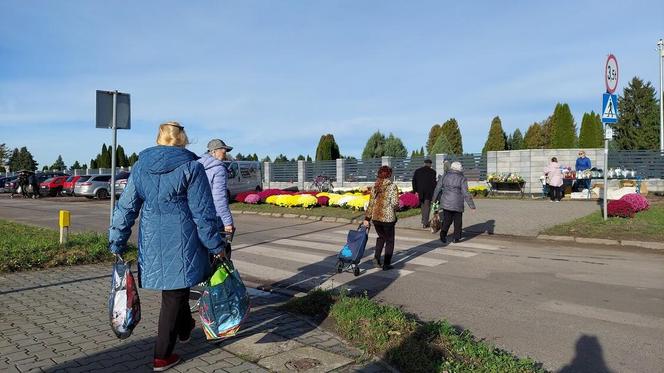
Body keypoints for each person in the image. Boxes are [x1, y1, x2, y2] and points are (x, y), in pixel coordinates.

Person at [108, 121, 225, 372]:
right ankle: (162, 355)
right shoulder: (192, 167)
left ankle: (184, 327)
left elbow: (126, 208)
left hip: (151, 239)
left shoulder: (140, 168)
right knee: (173, 295)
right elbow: (203, 214)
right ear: (183, 139)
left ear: (159, 139)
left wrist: (117, 240)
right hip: (184, 240)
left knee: (175, 290)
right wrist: (216, 245)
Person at [199, 139, 235, 258]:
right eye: (223, 150)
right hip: (215, 216)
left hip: (198, 215)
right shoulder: (218, 168)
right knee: (219, 256)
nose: (225, 152)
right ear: (213, 151)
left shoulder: (197, 165)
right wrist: (228, 222)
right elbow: (219, 199)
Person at [363, 166, 399, 271]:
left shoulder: (375, 186)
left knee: (381, 237)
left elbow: (371, 204)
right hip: (388, 219)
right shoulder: (392, 186)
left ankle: (376, 258)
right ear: (389, 175)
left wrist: (367, 218)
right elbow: (394, 203)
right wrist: (398, 207)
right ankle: (386, 264)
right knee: (390, 240)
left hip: (376, 218)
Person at [432, 161, 476, 244]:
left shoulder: (445, 175)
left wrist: (434, 200)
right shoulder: (462, 178)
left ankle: (443, 235)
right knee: (458, 221)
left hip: (446, 202)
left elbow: (437, 188)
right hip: (457, 203)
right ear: (460, 169)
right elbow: (465, 193)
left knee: (447, 220)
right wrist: (472, 206)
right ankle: (456, 238)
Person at [411, 159, 437, 228]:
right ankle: (425, 222)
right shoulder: (433, 172)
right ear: (430, 164)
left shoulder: (417, 171)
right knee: (427, 206)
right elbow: (434, 183)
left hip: (420, 191)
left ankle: (423, 220)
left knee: (422, 206)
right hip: (429, 192)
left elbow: (414, 181)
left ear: (424, 163)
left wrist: (415, 190)